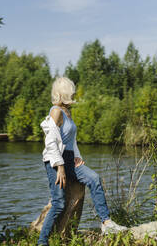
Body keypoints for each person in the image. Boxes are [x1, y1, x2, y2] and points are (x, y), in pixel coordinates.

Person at [38, 77, 127, 245]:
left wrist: (77, 156)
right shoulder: (56, 111)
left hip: (71, 159)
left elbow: (71, 139)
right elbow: (50, 141)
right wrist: (60, 167)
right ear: (64, 92)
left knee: (94, 179)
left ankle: (106, 223)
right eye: (71, 90)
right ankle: (42, 242)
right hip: (56, 161)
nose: (74, 93)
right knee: (58, 203)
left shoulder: (67, 112)